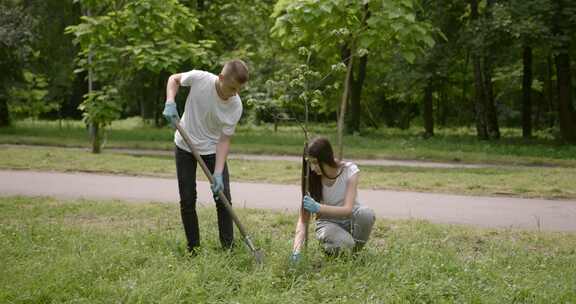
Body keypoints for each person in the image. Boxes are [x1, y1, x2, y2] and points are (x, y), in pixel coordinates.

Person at [162, 59, 248, 253]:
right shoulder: (200, 79)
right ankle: (194, 249)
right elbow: (174, 79)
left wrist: (218, 173)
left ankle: (228, 248)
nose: (235, 93)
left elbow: (224, 140)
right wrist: (170, 101)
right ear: (221, 78)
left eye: (239, 89)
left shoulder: (235, 105)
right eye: (232, 87)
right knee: (187, 199)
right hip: (185, 145)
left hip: (211, 150)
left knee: (223, 198)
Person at [291, 137, 375, 261]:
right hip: (328, 224)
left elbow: (347, 209)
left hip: (351, 219)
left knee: (366, 214)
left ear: (326, 158)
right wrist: (296, 250)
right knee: (345, 243)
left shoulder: (349, 170)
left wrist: (319, 207)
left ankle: (354, 255)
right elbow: (303, 221)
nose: (312, 168)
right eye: (310, 163)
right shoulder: (312, 178)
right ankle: (341, 249)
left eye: (315, 162)